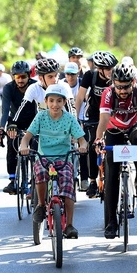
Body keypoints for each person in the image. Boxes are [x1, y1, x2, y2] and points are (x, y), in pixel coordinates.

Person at [19, 84, 87, 239]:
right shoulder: (40, 117)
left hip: (64, 158)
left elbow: (82, 140)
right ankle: (41, 205)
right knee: (40, 174)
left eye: (58, 101)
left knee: (68, 186)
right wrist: (23, 146)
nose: (55, 104)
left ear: (64, 102)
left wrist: (82, 146)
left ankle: (69, 225)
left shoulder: (69, 118)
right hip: (44, 157)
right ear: (46, 102)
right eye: (51, 101)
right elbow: (27, 137)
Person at [94, 64, 137, 238]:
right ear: (113, 83)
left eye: (126, 86)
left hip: (134, 125)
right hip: (113, 130)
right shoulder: (108, 93)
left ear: (133, 82)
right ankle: (111, 222)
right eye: (118, 86)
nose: (122, 90)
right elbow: (103, 119)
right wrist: (98, 139)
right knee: (111, 176)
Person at [74, 51, 119, 197]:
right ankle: (92, 181)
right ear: (100, 69)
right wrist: (76, 118)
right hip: (94, 114)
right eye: (108, 69)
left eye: (113, 68)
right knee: (94, 144)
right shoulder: (89, 76)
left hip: (112, 113)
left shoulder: (116, 76)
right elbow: (80, 97)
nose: (112, 72)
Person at [0, 60, 37, 194]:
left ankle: (36, 177)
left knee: (36, 148)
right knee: (12, 144)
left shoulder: (35, 86)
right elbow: (5, 110)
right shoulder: (8, 88)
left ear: (29, 76)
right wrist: (2, 128)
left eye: (23, 77)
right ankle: (13, 180)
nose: (20, 80)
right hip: (15, 122)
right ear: (13, 77)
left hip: (34, 121)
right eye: (17, 77)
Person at [61, 61, 89, 190]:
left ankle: (84, 179)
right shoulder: (60, 85)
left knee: (82, 147)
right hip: (64, 119)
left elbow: (87, 98)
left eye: (73, 74)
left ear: (78, 73)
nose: (70, 77)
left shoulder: (83, 84)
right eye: (68, 74)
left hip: (82, 118)